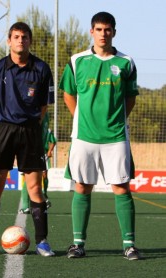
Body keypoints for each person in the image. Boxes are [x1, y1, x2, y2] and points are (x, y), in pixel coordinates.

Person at [59, 12, 141, 260]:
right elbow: (69, 94)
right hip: (84, 136)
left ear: (114, 32)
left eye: (107, 30)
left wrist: (116, 119)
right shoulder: (77, 61)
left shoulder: (126, 62)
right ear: (91, 32)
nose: (103, 34)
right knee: (82, 186)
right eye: (98, 29)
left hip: (115, 136)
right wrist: (81, 119)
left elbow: (130, 97)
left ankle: (129, 245)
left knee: (121, 187)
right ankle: (77, 244)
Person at [0, 22, 55, 257]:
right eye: (16, 37)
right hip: (3, 131)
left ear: (30, 41)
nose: (21, 40)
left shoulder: (41, 68)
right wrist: (9, 120)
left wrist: (28, 123)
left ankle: (42, 242)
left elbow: (43, 107)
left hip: (30, 132)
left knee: (34, 188)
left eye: (25, 37)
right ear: (9, 40)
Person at [19, 112, 57, 214]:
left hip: (38, 150)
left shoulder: (45, 115)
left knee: (39, 176)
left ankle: (43, 197)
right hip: (32, 149)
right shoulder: (37, 114)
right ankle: (27, 205)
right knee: (30, 176)